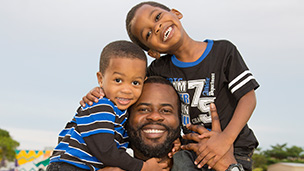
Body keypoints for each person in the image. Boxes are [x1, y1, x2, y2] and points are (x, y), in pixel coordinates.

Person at [82, 1, 259, 170]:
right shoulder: (159, 69)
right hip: (191, 150)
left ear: (176, 13)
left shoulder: (222, 51)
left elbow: (248, 97)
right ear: (153, 52)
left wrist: (226, 139)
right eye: (148, 34)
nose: (156, 27)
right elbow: (129, 88)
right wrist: (101, 91)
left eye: (157, 17)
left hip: (233, 145)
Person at [47, 40, 165, 171]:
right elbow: (106, 151)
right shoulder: (101, 106)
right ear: (100, 79)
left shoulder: (122, 112)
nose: (127, 90)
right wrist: (143, 167)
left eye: (135, 83)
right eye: (118, 80)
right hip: (68, 167)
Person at [98, 76, 244, 171]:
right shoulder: (97, 161)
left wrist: (229, 166)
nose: (155, 117)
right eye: (143, 109)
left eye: (166, 110)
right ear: (128, 116)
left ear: (180, 120)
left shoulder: (201, 164)